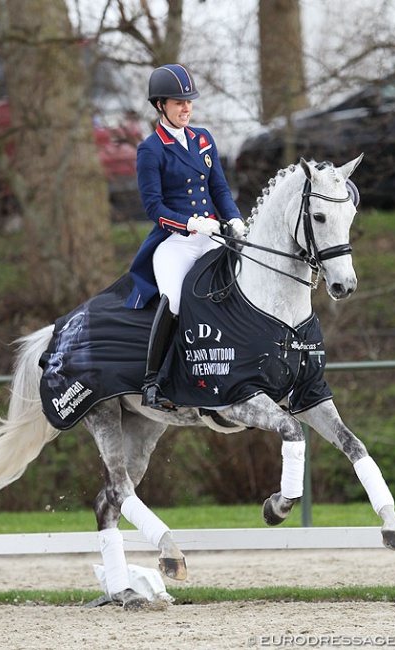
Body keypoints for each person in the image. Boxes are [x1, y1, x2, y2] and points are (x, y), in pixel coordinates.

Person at [124, 63, 245, 410]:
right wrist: (191, 223)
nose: (186, 108)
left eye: (189, 102)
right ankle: (153, 382)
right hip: (175, 241)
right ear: (161, 105)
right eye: (178, 102)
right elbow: (154, 207)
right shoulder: (151, 149)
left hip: (212, 235)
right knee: (175, 300)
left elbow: (219, 188)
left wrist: (234, 219)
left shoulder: (203, 139)